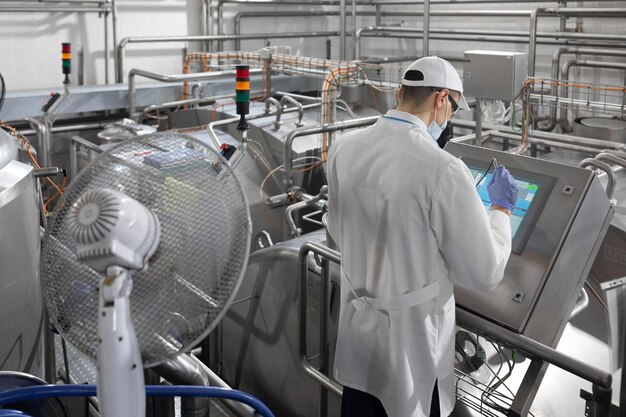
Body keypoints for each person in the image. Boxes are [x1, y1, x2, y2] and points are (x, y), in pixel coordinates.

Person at [326, 56, 519, 417]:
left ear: (400, 93)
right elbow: (484, 271)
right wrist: (502, 211)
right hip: (411, 346)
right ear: (442, 98)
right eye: (452, 108)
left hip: (359, 335)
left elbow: (336, 230)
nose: (448, 119)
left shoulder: (344, 147)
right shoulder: (443, 168)